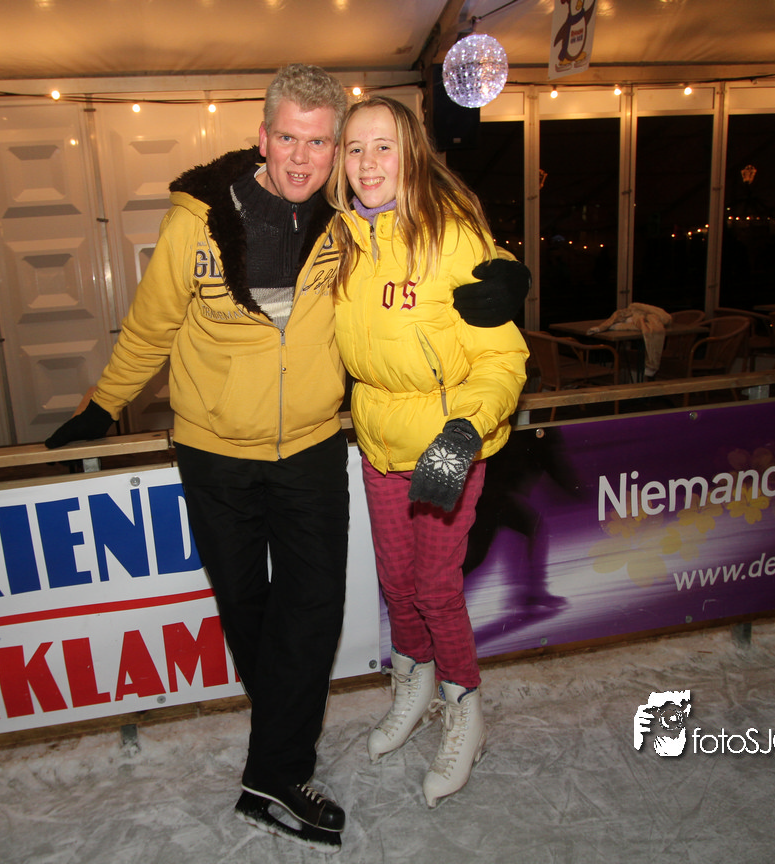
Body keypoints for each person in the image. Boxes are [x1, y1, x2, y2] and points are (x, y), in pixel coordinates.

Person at [44, 67, 525, 848]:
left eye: (322, 142)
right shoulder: (203, 221)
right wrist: (103, 403)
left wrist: (504, 272)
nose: (306, 158)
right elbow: (151, 325)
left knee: (317, 610)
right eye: (292, 139)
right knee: (253, 614)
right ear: (263, 138)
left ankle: (283, 771)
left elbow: (434, 242)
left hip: (312, 450)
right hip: (217, 453)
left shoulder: (342, 225)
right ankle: (281, 765)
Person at [326, 96, 529, 808]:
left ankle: (464, 707)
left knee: (437, 588)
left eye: (383, 147)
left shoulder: (453, 237)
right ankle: (411, 688)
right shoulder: (340, 242)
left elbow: (502, 358)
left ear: (411, 154)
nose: (368, 163)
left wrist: (465, 431)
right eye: (355, 148)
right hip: (380, 442)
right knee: (397, 583)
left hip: (448, 443)